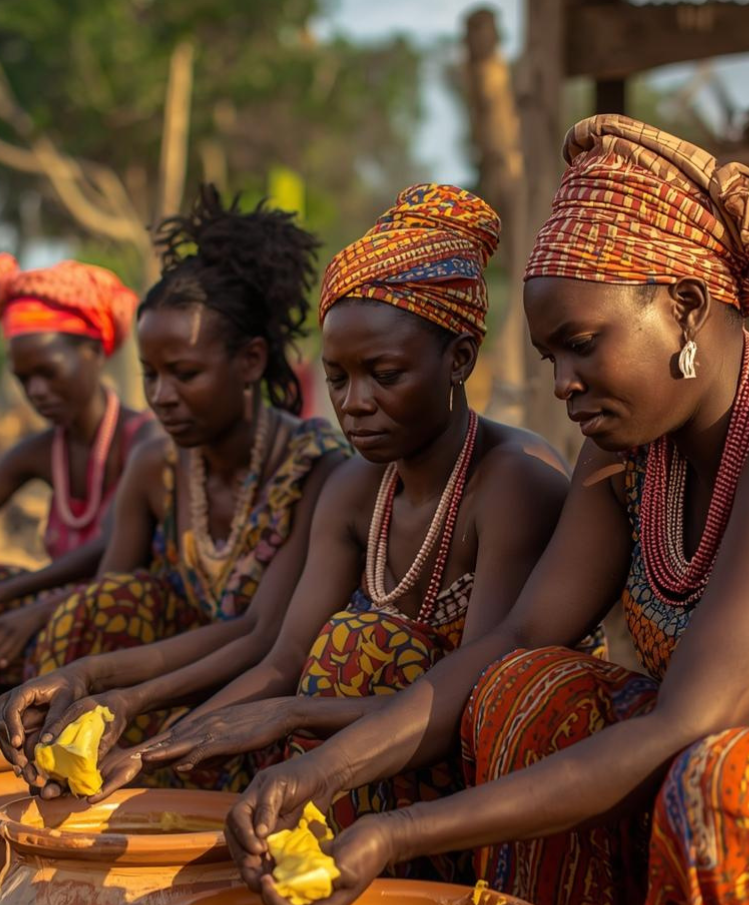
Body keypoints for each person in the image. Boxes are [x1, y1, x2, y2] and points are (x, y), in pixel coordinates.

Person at [222, 118, 749, 905]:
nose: (558, 380)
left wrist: (392, 829)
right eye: (548, 352)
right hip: (694, 790)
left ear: (685, 304)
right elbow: (511, 642)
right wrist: (327, 765)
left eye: (583, 341)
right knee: (527, 696)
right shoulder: (626, 453)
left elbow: (688, 719)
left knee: (729, 783)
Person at [5, 184, 577, 852]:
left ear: (458, 360)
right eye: (337, 379)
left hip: (476, 762)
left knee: (355, 650)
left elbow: (478, 689)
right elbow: (280, 657)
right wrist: (156, 742)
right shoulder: (356, 487)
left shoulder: (511, 482)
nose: (355, 403)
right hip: (351, 743)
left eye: (384, 375)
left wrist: (290, 714)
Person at [0, 185, 347, 786]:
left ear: (250, 361)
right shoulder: (157, 466)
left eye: (184, 374)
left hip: (262, 693)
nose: (160, 396)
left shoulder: (313, 469)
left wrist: (123, 699)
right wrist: (83, 674)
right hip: (168, 680)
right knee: (106, 605)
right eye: (150, 375)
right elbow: (107, 599)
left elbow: (262, 634)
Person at [0, 255, 152, 679]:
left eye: (47, 372)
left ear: (93, 353)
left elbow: (109, 551)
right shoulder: (38, 452)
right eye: (24, 379)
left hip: (121, 620)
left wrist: (19, 599)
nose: (36, 391)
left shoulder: (145, 444)